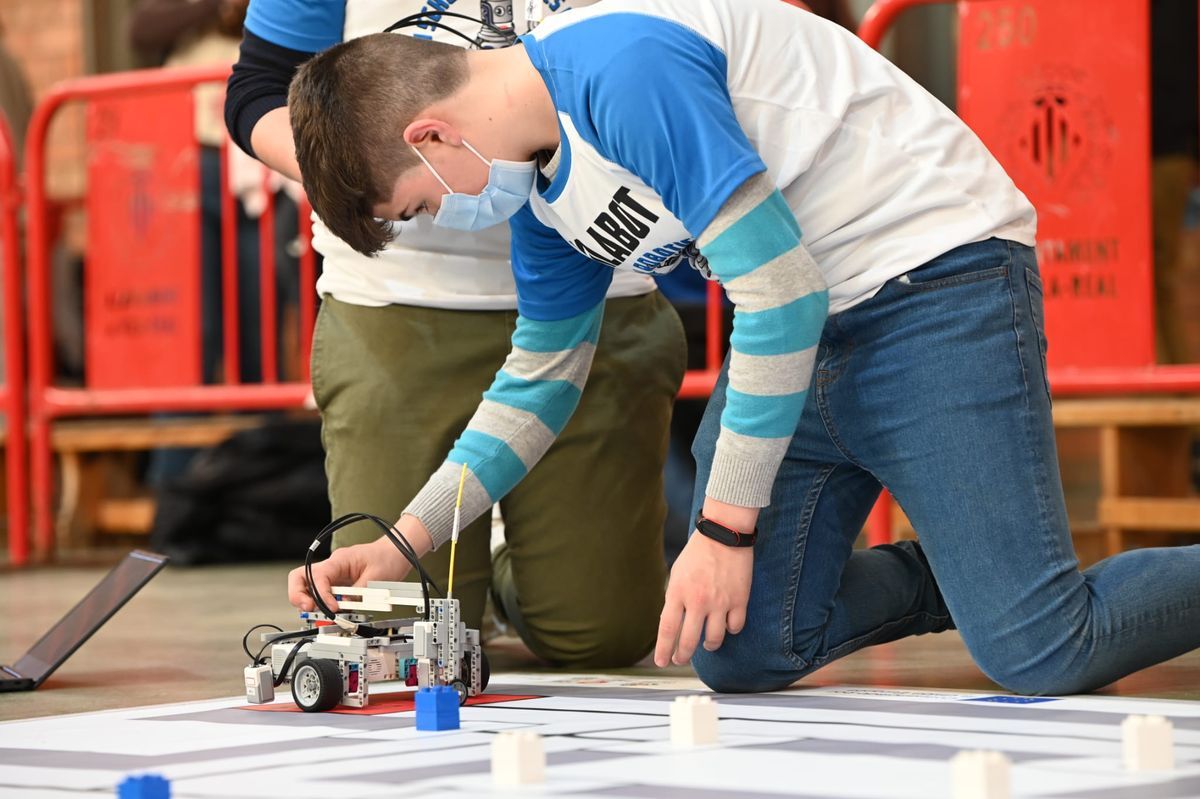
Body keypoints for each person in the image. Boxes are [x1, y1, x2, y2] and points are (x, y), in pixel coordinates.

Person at [285, 0, 1200, 695]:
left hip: (931, 284)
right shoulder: (539, 194)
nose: (445, 216)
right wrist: (404, 542)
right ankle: (972, 570)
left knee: (1042, 650)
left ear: (432, 135)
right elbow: (537, 385)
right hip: (807, 334)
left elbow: (782, 295)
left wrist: (724, 528)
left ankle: (1005, 586)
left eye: (419, 203)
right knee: (733, 645)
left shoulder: (619, 65)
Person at [224, 1, 685, 668]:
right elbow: (257, 89)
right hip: (403, 301)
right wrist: (371, 177)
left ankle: (510, 555)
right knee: (407, 636)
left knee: (601, 636)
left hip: (591, 274)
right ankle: (476, 542)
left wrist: (726, 530)